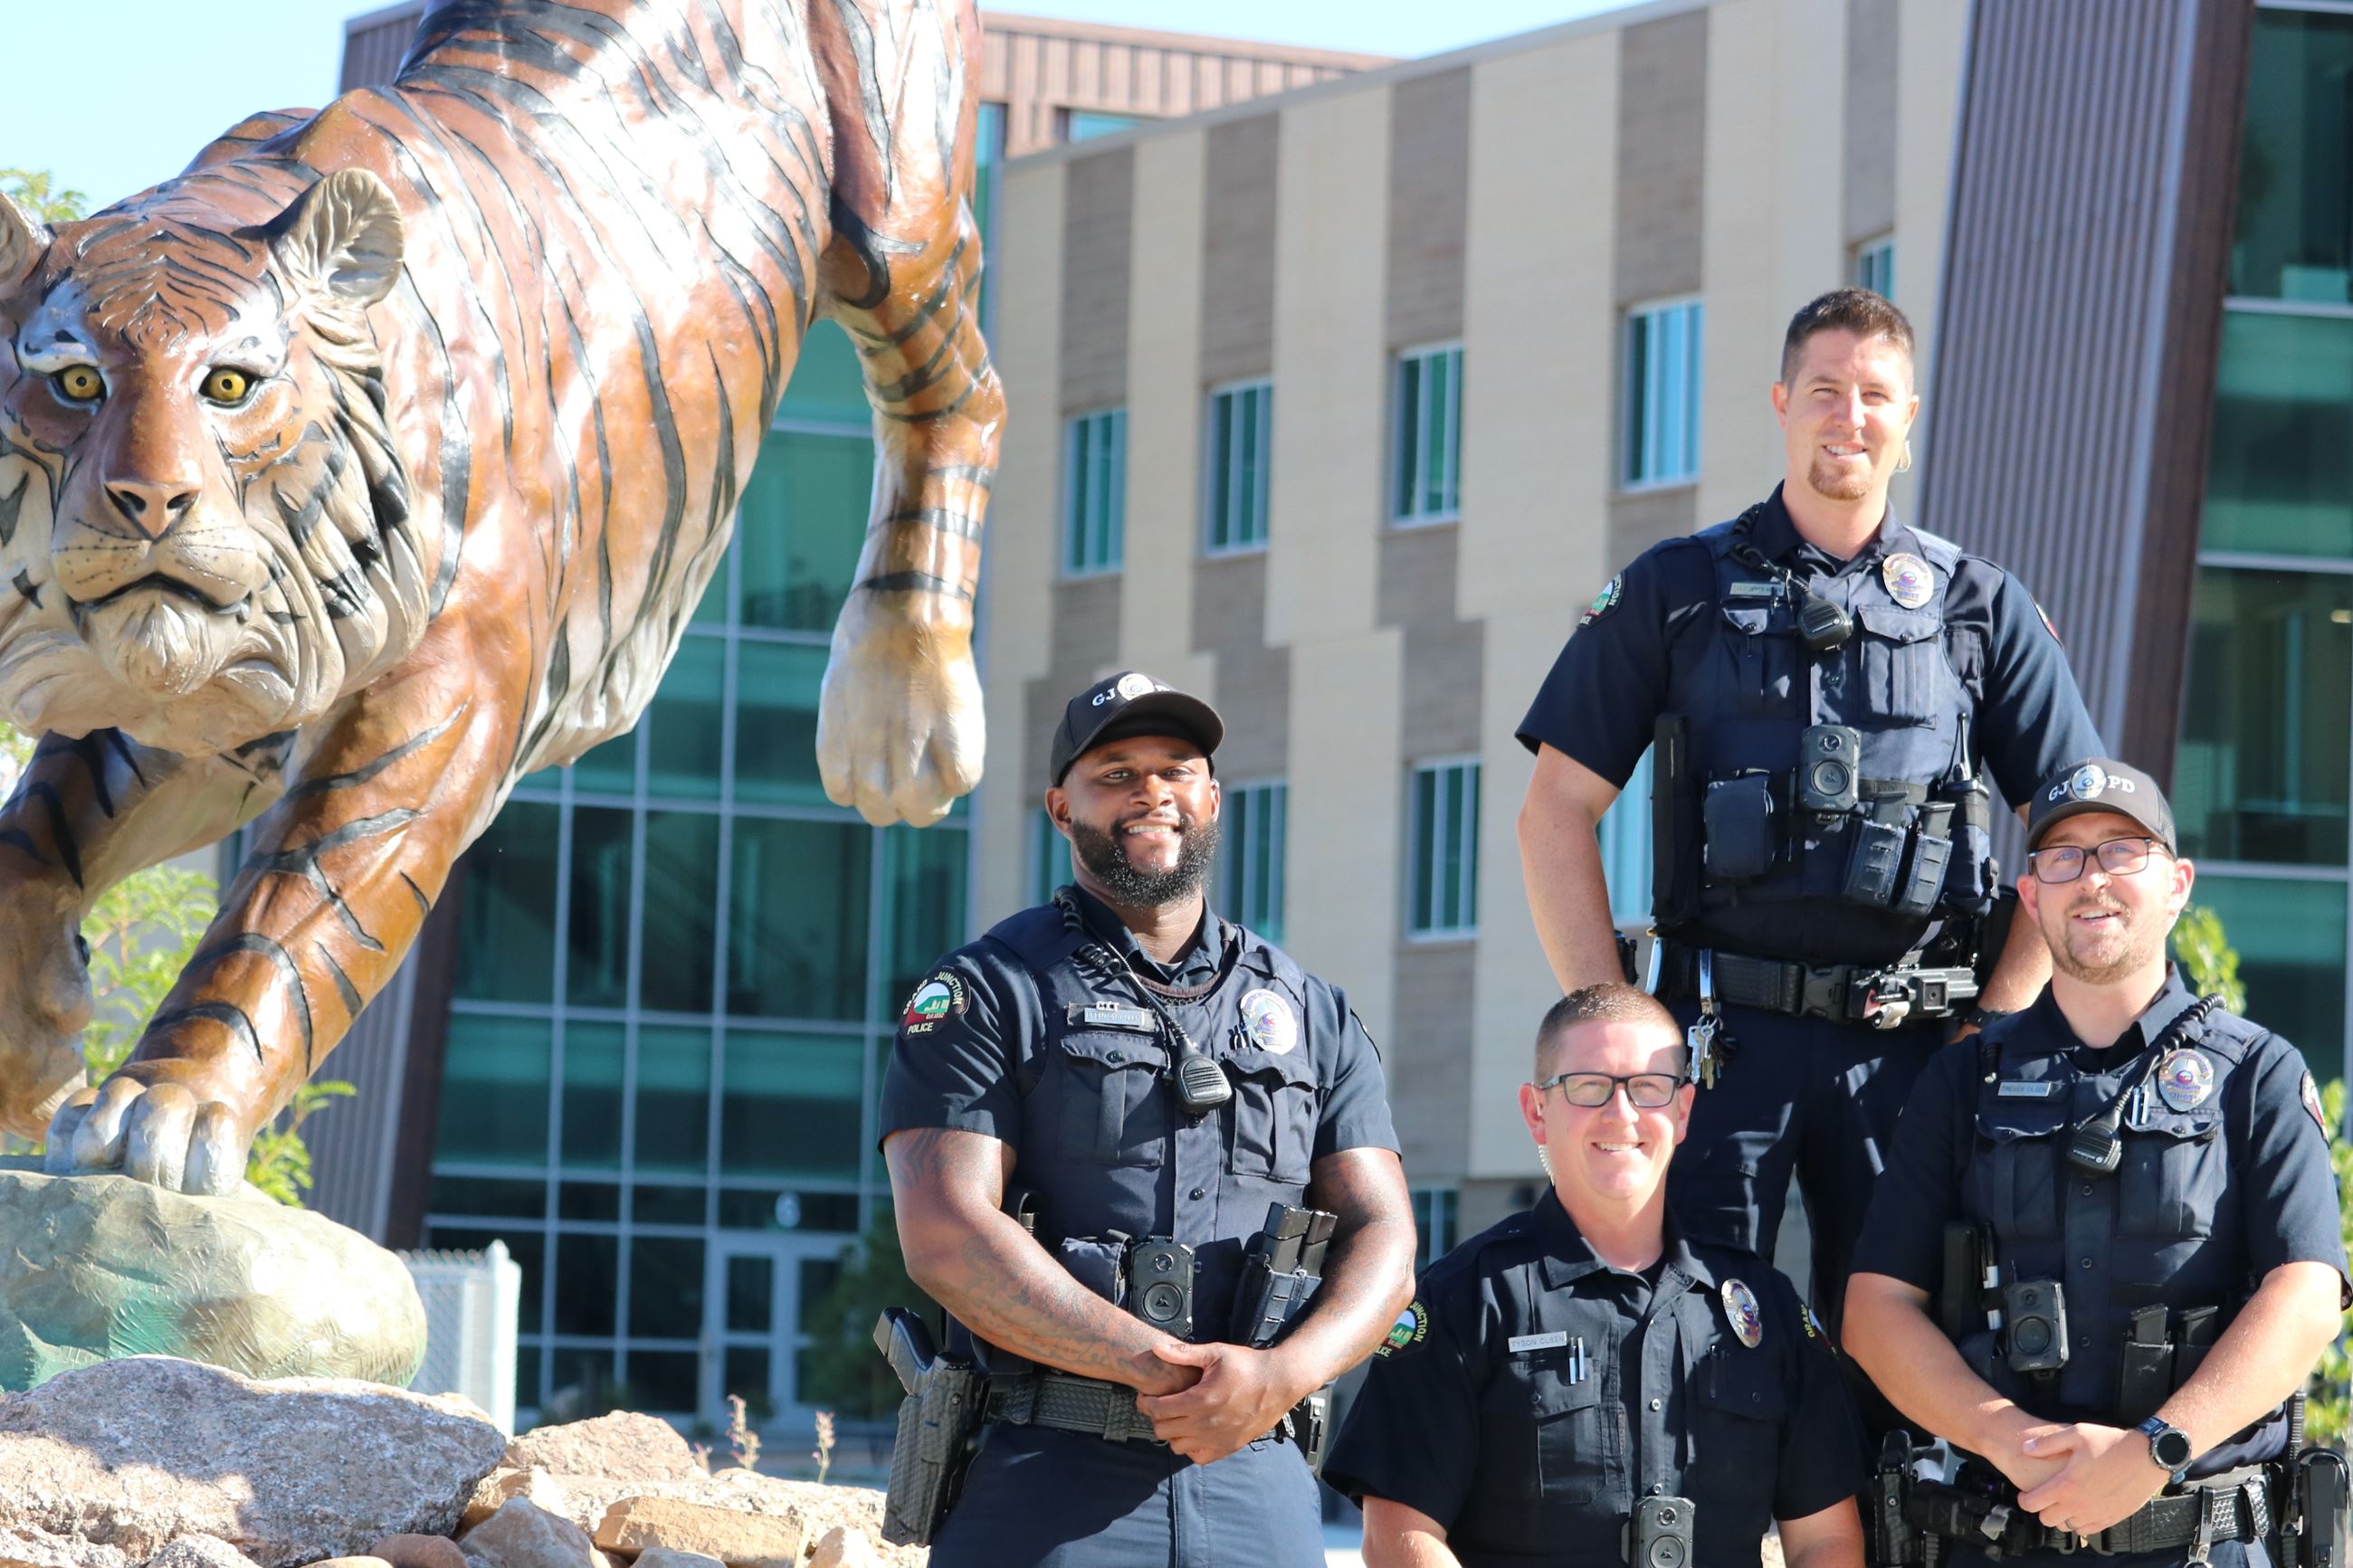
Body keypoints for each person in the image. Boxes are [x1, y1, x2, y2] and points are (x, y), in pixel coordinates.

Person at [1514, 287, 2104, 1346]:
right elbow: (1554, 808)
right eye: (1824, 389)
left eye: (1874, 394)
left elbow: (2078, 824)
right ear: (1782, 402)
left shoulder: (1978, 607)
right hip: (1721, 1043)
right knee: (1685, 1341)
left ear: (1908, 418)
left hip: (1915, 1049)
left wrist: (1998, 1021)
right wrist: (1614, 1022)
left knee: (1908, 1355)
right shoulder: (1675, 589)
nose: (1849, 416)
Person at [878, 670, 1418, 1568]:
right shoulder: (988, 990)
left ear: (1211, 794)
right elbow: (943, 1232)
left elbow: (1387, 1238)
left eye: (1177, 767)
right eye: (1117, 771)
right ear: (1059, 806)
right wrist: (1162, 1370)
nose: (1152, 792)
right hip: (1043, 1482)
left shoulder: (1310, 1010)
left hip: (1258, 1478)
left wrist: (1276, 1377)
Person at [1843, 757, 2349, 1564]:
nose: (2093, 878)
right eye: (2064, 856)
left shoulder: (2259, 1073)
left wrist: (2153, 1450)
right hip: (2001, 1533)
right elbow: (1875, 1311)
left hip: (2198, 1539)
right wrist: (2006, 1436)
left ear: (2177, 883)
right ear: (2033, 893)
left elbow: (2309, 1295)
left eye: (2122, 851)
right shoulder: (1962, 1078)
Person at [1326, 984, 1867, 1568]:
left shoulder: (1767, 1306)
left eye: (1649, 1087)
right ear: (1537, 1111)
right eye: (1590, 1086)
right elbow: (1399, 1535)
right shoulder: (1468, 1299)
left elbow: (1825, 1539)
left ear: (1682, 1111)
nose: (1623, 1113)